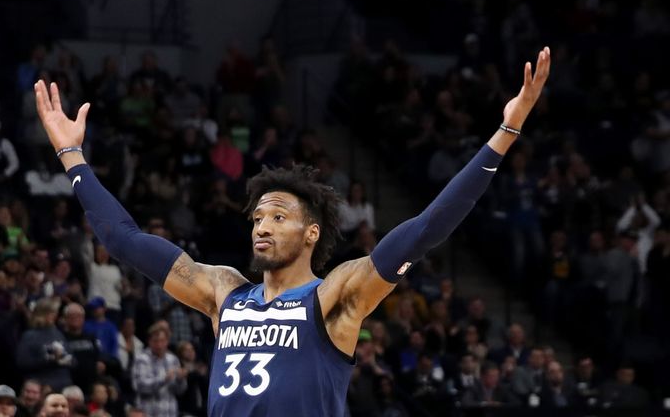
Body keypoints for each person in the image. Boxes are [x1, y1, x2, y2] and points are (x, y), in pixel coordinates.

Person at [34, 47, 551, 416]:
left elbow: (426, 227)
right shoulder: (222, 291)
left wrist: (505, 133)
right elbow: (123, 239)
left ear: (311, 233)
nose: (261, 226)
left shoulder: (334, 295)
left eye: (278, 217)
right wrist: (72, 155)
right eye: (258, 217)